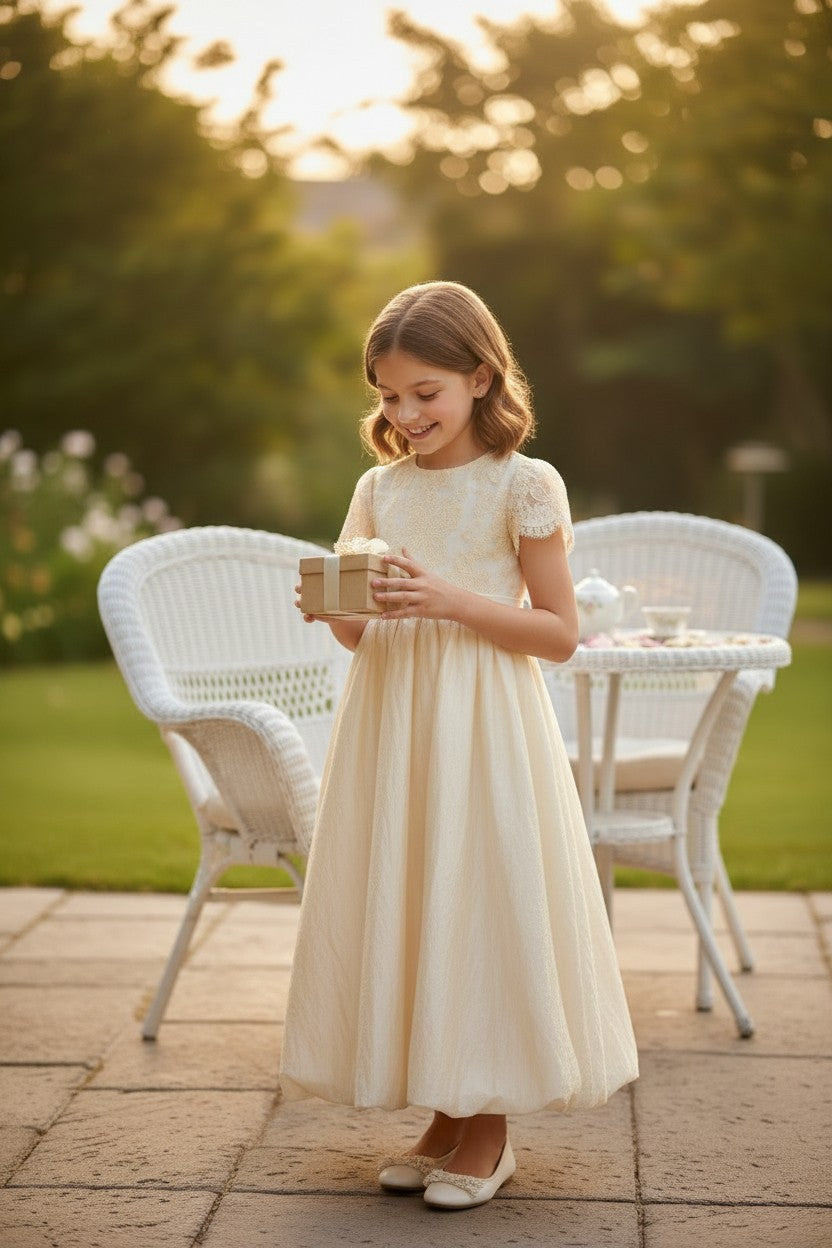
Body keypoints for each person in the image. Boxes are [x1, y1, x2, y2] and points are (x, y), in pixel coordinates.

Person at [279, 280, 638, 1211]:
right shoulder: (378, 488)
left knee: (478, 897)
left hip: (483, 722)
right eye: (389, 396)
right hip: (392, 721)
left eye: (425, 393)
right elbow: (359, 632)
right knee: (415, 895)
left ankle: (489, 1131)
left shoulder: (524, 483)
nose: (405, 415)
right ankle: (444, 1116)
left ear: (481, 377)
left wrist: (448, 599)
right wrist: (332, 607)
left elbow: (559, 633)